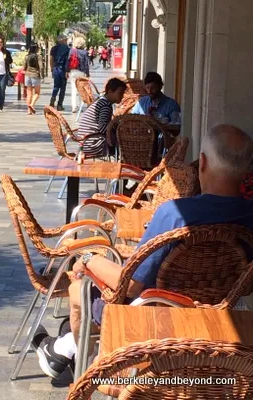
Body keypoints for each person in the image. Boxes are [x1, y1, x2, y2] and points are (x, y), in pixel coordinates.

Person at [31, 124, 253, 378]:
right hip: (219, 315)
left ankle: (87, 368)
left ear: (202, 163)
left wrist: (88, 259)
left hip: (153, 314)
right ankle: (63, 348)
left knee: (77, 289)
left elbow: (132, 285)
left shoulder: (176, 213)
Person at [76, 78, 127, 157]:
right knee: (124, 145)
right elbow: (103, 128)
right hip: (94, 145)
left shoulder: (100, 101)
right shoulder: (105, 106)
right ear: (110, 91)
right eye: (120, 93)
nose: (122, 96)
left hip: (84, 144)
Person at [66, 37, 90, 113]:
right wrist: (87, 74)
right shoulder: (85, 52)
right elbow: (86, 64)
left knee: (73, 89)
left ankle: (74, 107)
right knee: (81, 89)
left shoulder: (72, 51)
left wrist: (67, 71)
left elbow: (68, 61)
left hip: (73, 71)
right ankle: (80, 106)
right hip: (81, 72)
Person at [50, 34, 70, 111]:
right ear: (62, 40)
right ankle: (59, 105)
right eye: (65, 40)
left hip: (55, 69)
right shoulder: (67, 49)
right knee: (62, 88)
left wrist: (52, 68)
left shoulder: (53, 48)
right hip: (63, 70)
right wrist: (67, 71)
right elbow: (68, 61)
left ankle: (52, 100)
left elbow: (51, 59)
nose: (66, 42)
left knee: (56, 86)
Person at [24, 43, 43, 115]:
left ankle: (29, 111)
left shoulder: (27, 57)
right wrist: (41, 75)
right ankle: (31, 105)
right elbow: (41, 67)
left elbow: (24, 67)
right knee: (37, 93)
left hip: (27, 75)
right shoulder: (38, 57)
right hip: (35, 75)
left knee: (29, 93)